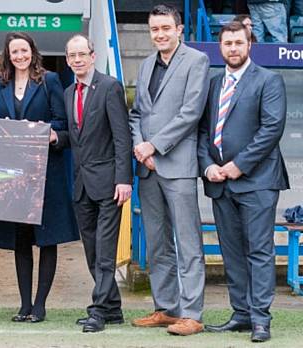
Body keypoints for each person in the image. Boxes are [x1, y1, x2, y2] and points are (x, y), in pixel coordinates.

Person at [198, 21, 289, 343]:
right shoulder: (211, 84)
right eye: (228, 44)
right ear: (220, 48)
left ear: (250, 44)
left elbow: (271, 129)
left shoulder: (268, 80)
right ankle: (241, 314)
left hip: (258, 181)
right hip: (220, 183)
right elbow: (204, 132)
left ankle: (261, 318)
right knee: (232, 252)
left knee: (259, 251)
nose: (233, 48)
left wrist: (239, 165)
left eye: (239, 42)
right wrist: (208, 166)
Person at [129, 4, 209, 336]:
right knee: (159, 243)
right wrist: (139, 145)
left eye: (165, 28)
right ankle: (167, 307)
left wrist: (154, 145)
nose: (159, 34)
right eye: (154, 29)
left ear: (179, 29)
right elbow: (136, 114)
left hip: (177, 166)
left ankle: (191, 313)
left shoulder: (196, 61)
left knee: (188, 242)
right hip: (148, 168)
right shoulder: (147, 64)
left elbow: (190, 113)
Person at [0, 32, 78, 323]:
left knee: (47, 239)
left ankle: (40, 305)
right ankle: (24, 304)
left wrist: (49, 133)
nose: (20, 56)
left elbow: (63, 125)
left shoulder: (50, 80)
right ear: (8, 55)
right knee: (21, 240)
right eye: (14, 52)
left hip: (46, 172)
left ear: (32, 52)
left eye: (24, 50)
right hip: (14, 176)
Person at [51, 34, 132, 333]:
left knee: (105, 251)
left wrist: (124, 179)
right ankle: (112, 309)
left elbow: (122, 137)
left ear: (93, 55)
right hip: (82, 184)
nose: (76, 60)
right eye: (71, 56)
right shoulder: (69, 91)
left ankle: (97, 310)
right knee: (92, 252)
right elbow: (78, 137)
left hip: (110, 183)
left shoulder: (110, 87)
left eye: (81, 54)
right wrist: (56, 138)